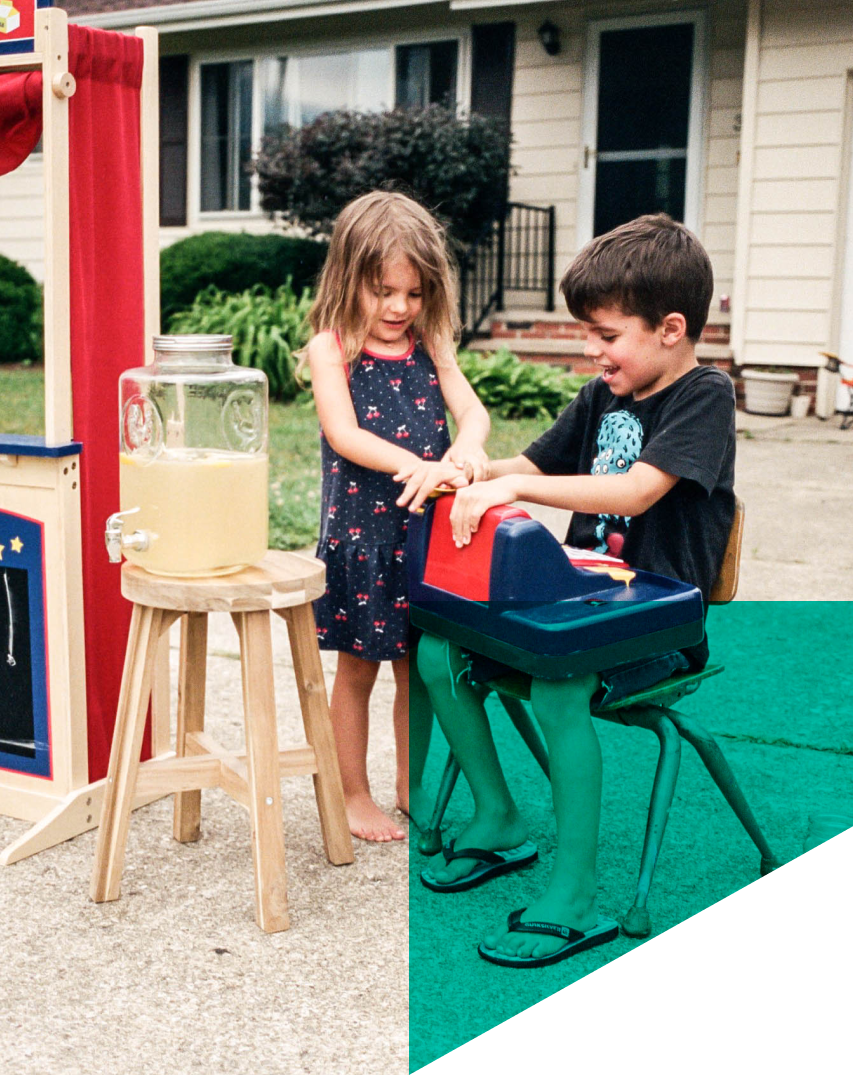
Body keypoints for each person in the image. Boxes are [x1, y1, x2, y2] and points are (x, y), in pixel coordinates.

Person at [415, 213, 737, 966]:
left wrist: (522, 485)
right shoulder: (603, 397)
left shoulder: (704, 397)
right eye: (587, 335)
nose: (591, 352)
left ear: (671, 328)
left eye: (606, 335)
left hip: (660, 630)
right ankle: (497, 817)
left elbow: (634, 494)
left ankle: (574, 889)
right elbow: (521, 464)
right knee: (441, 650)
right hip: (575, 607)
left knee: (559, 686)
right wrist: (467, 470)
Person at [305, 191, 491, 843]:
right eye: (382, 291)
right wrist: (417, 465)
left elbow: (473, 412)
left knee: (420, 671)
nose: (398, 308)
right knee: (358, 670)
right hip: (364, 542)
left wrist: (465, 449)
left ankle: (410, 789)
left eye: (413, 294)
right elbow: (345, 433)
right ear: (348, 277)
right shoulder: (332, 349)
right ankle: (351, 793)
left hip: (425, 543)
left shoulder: (429, 342)